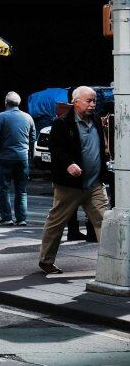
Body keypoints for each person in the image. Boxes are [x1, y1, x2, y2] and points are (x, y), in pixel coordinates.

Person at [39, 86, 111, 275]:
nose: (93, 104)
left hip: (94, 184)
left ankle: (111, 266)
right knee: (56, 223)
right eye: (89, 101)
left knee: (106, 223)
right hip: (70, 186)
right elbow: (55, 149)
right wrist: (68, 164)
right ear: (75, 101)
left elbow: (101, 145)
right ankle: (46, 260)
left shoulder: (96, 119)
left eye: (94, 101)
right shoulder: (62, 123)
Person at [0, 91, 36, 227]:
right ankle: (21, 219)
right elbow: (33, 139)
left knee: (4, 188)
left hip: (5, 157)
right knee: (21, 190)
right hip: (22, 158)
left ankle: (7, 218)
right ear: (19, 103)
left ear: (6, 102)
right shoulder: (28, 118)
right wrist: (29, 157)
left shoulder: (0, 117)